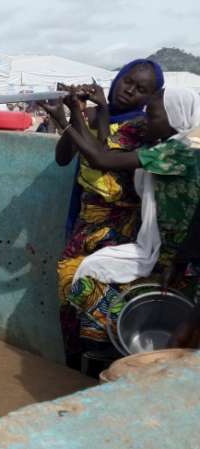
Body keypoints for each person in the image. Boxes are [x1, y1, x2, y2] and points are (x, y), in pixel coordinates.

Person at [52, 87, 200, 364]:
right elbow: (105, 150)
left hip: (178, 258)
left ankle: (114, 356)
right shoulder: (167, 146)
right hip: (169, 252)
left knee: (89, 282)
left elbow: (101, 159)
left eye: (154, 113)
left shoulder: (178, 152)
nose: (147, 118)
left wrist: (65, 122)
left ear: (176, 117)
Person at [39, 60, 164, 368]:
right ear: (119, 78)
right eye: (128, 82)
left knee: (95, 289)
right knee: (69, 287)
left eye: (141, 89)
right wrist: (78, 114)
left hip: (121, 225)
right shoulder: (93, 116)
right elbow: (63, 158)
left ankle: (99, 366)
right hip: (86, 218)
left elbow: (101, 156)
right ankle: (75, 364)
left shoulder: (144, 128)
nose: (130, 91)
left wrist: (77, 120)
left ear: (152, 97)